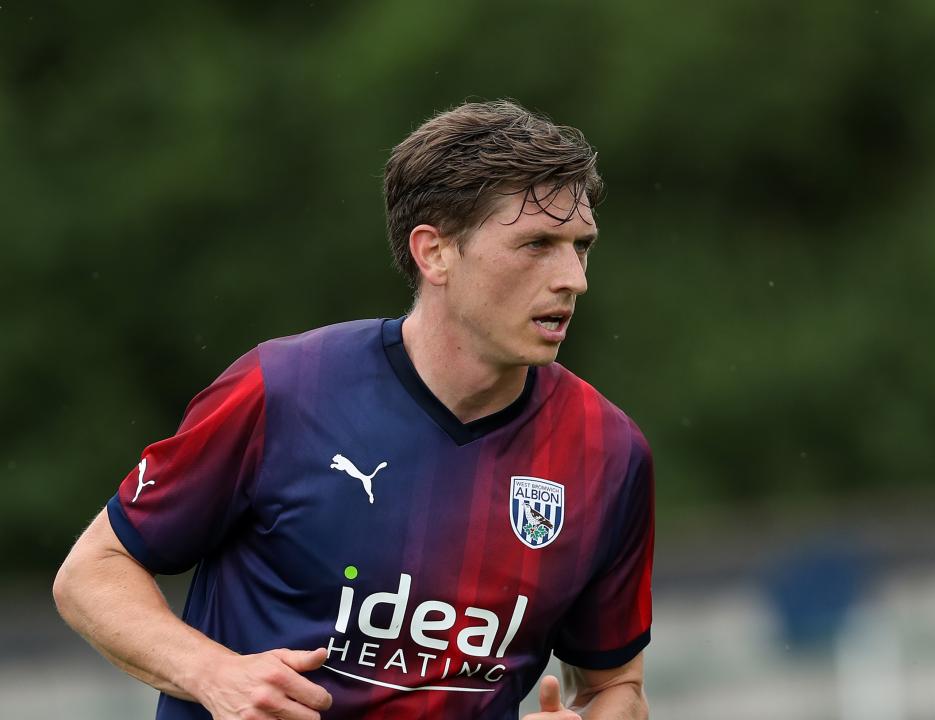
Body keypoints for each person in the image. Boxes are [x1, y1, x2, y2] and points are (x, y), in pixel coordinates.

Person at [54, 99, 655, 720]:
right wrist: (213, 673)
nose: (574, 278)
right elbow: (92, 573)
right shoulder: (284, 389)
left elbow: (617, 686)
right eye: (536, 244)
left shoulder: (608, 452)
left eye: (581, 246)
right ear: (435, 253)